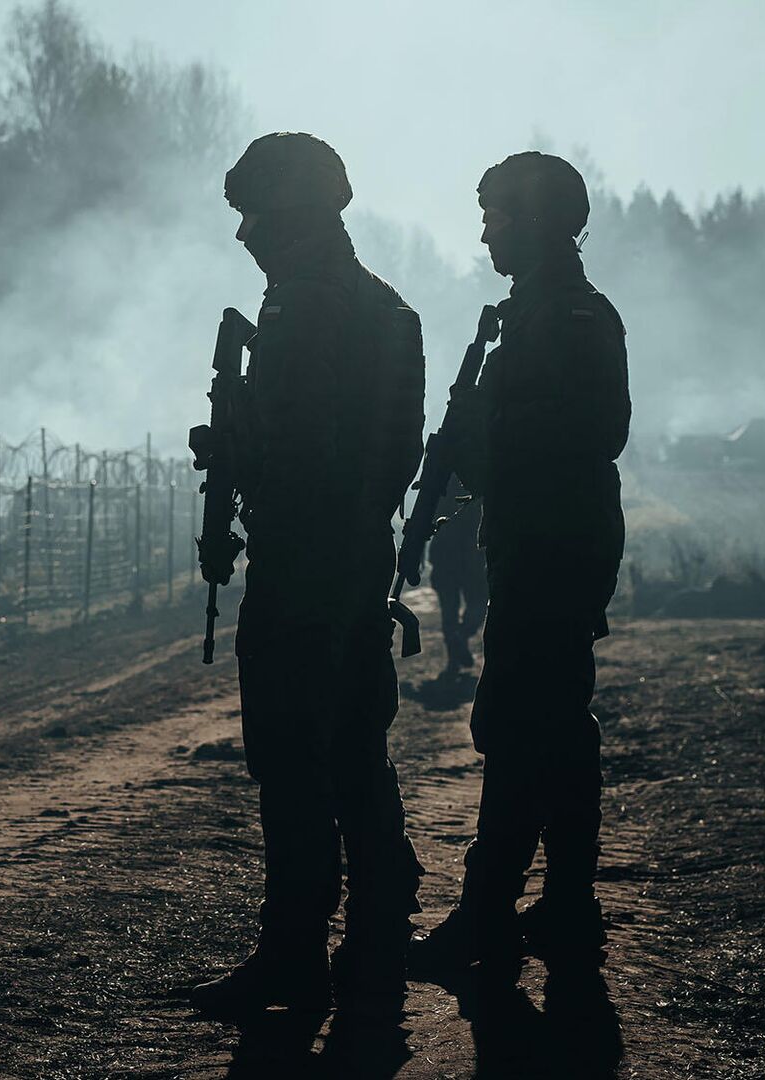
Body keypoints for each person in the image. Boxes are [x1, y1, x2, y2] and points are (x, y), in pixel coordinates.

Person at [189, 132, 427, 1018]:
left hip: (303, 561)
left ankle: (294, 956)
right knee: (358, 752)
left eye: (255, 215)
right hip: (358, 552)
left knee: (291, 760)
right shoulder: (387, 308)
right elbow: (392, 450)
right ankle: (373, 946)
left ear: (290, 218)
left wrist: (234, 449)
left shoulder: (302, 311)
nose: (245, 234)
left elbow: (297, 452)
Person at [412, 152, 630, 982]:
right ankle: (565, 907)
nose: (484, 232)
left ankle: (489, 912)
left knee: (515, 724)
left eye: (496, 216)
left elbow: (589, 431)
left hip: (555, 547)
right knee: (555, 728)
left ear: (535, 223)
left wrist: (477, 441)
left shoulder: (572, 315)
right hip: (541, 543)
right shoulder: (531, 314)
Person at [428, 475, 488, 673]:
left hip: (447, 553)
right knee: (477, 604)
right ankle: (461, 637)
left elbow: (425, 513)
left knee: (449, 609)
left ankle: (454, 653)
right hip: (471, 556)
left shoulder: (440, 477)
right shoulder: (478, 475)